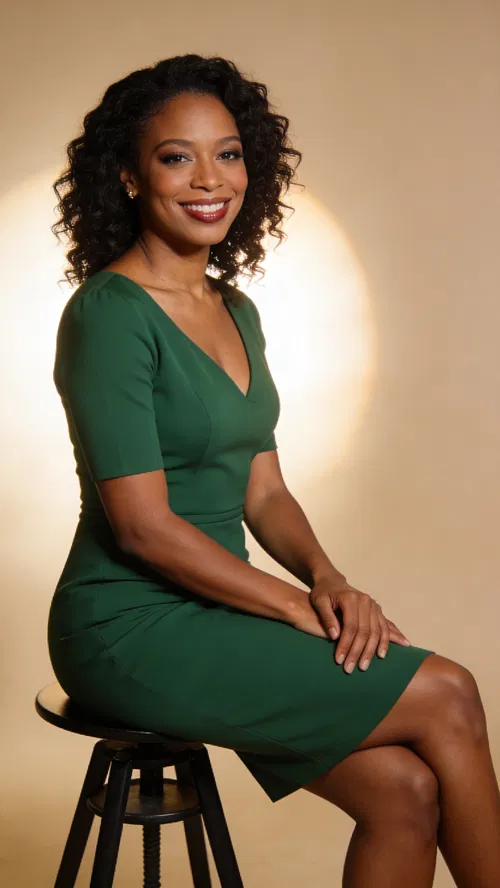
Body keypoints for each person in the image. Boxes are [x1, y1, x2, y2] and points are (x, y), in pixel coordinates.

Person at [48, 53, 500, 887]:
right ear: (129, 176)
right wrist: (293, 607)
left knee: (404, 789)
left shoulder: (238, 310)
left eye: (228, 152)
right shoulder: (107, 315)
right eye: (176, 156)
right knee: (451, 693)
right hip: (130, 627)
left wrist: (329, 579)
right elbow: (144, 528)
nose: (208, 178)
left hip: (223, 605)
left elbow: (265, 489)